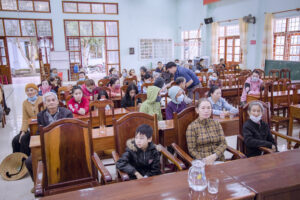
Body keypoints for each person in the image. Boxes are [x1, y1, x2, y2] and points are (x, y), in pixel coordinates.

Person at [25, 92, 73, 192]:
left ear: (57, 102)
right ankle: (38, 184)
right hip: (47, 144)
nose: (51, 102)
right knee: (29, 161)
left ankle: (66, 181)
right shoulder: (41, 115)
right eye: (48, 101)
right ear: (45, 103)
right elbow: (39, 131)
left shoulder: (67, 113)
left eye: (53, 100)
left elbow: (70, 131)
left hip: (63, 144)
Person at [186, 98, 227, 165]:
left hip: (218, 158)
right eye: (203, 108)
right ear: (197, 110)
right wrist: (204, 160)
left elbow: (223, 143)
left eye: (208, 108)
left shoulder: (216, 123)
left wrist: (214, 156)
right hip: (202, 162)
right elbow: (192, 150)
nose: (206, 111)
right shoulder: (192, 127)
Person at [12, 83, 43, 156]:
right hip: (31, 128)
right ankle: (17, 160)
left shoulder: (42, 99)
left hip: (39, 127)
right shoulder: (25, 103)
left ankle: (26, 159)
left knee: (24, 140)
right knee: (16, 140)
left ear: (36, 91)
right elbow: (25, 119)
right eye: (27, 91)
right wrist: (22, 132)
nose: (30, 92)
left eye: (31, 90)